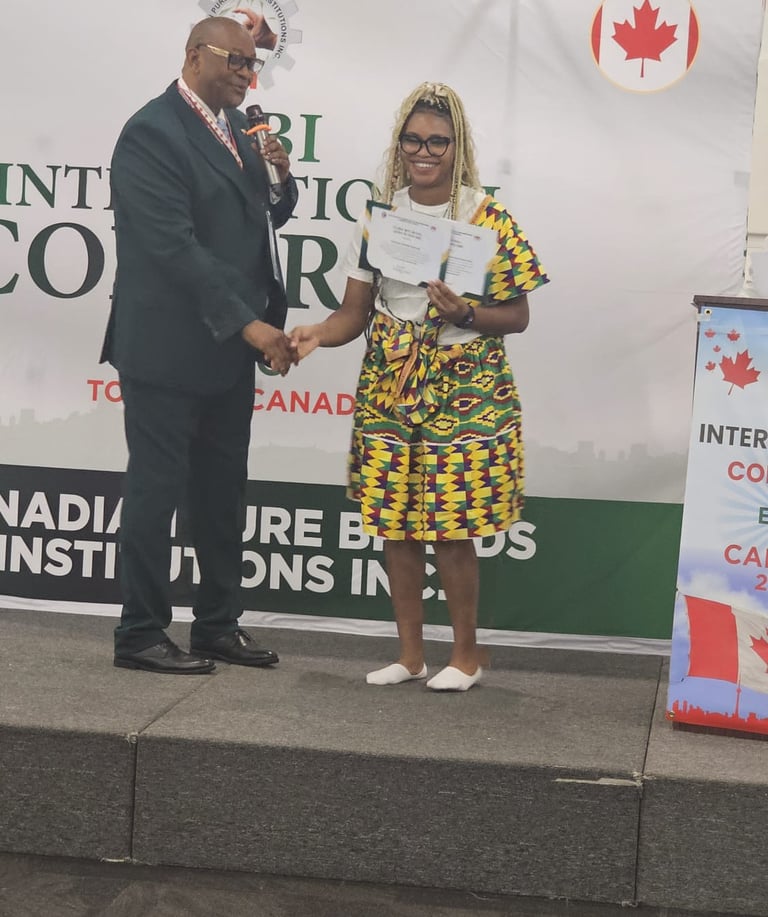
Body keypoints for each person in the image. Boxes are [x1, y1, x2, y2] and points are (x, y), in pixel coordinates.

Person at [290, 82, 549, 691]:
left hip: (465, 377)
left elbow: (517, 316)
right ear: (399, 144)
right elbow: (352, 314)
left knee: (451, 526)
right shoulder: (380, 218)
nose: (424, 152)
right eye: (413, 140)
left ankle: (466, 658)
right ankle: (410, 656)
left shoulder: (486, 217)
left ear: (458, 147)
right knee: (395, 523)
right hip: (390, 377)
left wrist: (466, 313)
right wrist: (315, 335)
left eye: (437, 141)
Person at [100, 15, 298, 674]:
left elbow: (263, 217)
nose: (247, 74)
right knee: (156, 493)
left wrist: (280, 178)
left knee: (221, 494)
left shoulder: (239, 128)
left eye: (252, 64)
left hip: (226, 351)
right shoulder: (151, 133)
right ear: (194, 56)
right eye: (235, 60)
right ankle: (140, 633)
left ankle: (217, 625)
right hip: (165, 348)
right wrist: (251, 324)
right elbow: (173, 248)